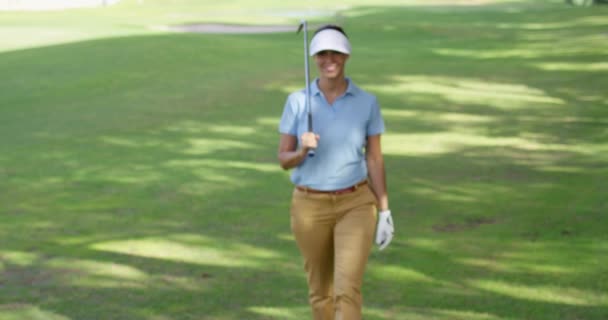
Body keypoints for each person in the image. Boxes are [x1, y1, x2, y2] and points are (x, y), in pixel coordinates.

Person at [277, 24, 394, 320]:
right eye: (323, 53)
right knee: (321, 291)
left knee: (347, 289)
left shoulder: (367, 102)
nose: (330, 59)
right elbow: (283, 158)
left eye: (336, 53)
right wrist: (302, 152)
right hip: (308, 205)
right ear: (314, 57)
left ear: (346, 55)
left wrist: (384, 211)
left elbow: (375, 159)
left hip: (354, 202)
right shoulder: (297, 102)